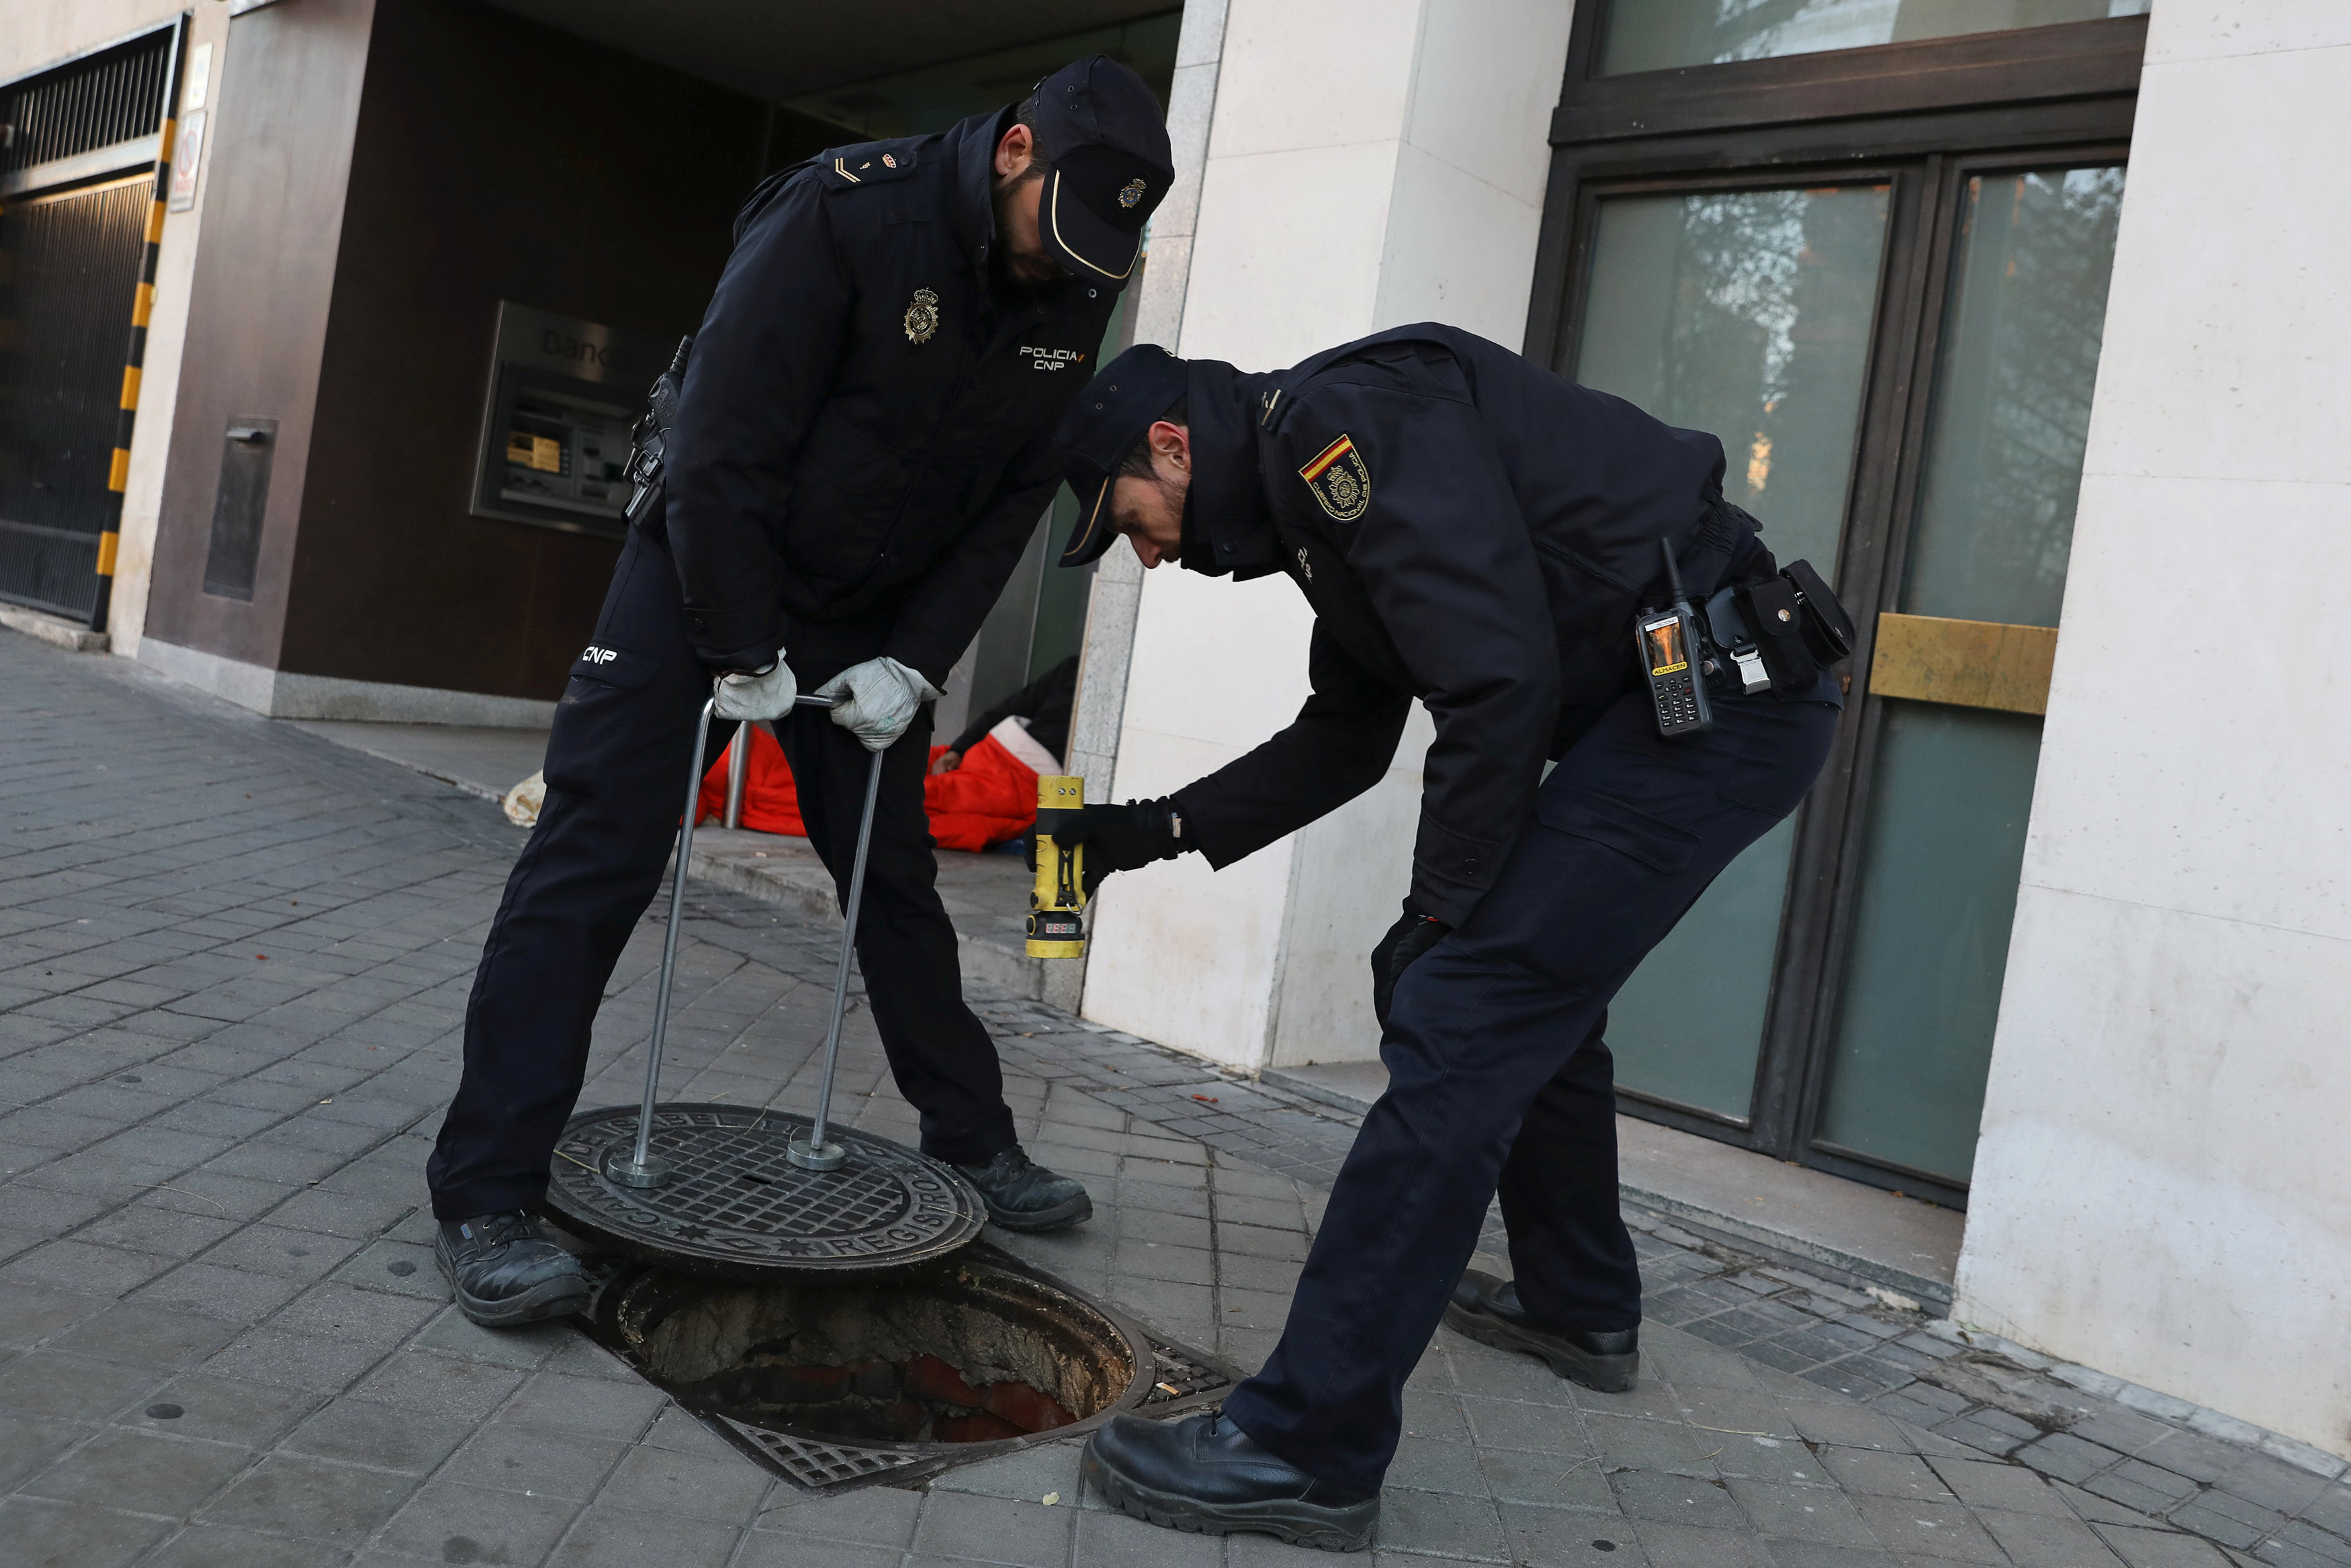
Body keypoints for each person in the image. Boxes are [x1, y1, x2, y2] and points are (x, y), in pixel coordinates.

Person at [1047, 330, 1849, 1549]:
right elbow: (1345, 735)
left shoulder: (1340, 435)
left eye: (1133, 519)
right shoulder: (1315, 504)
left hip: (1719, 702)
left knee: (1464, 1005)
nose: (1150, 552)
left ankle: (1304, 1447)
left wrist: (1438, 914)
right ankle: (1579, 1303)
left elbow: (1499, 683)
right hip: (1667, 715)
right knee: (1498, 987)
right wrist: (1147, 832)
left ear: (1171, 445)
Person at [426, 57, 1173, 1328]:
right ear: (1012, 154)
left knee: (892, 878)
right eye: (1059, 232)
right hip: (701, 571)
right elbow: (722, 444)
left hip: (875, 616)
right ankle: (486, 1191)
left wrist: (917, 660)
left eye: (1097, 254)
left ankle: (974, 1136)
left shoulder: (1073, 273)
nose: (1068, 272)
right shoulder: (840, 212)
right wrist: (738, 643)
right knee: (592, 857)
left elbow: (1007, 505)